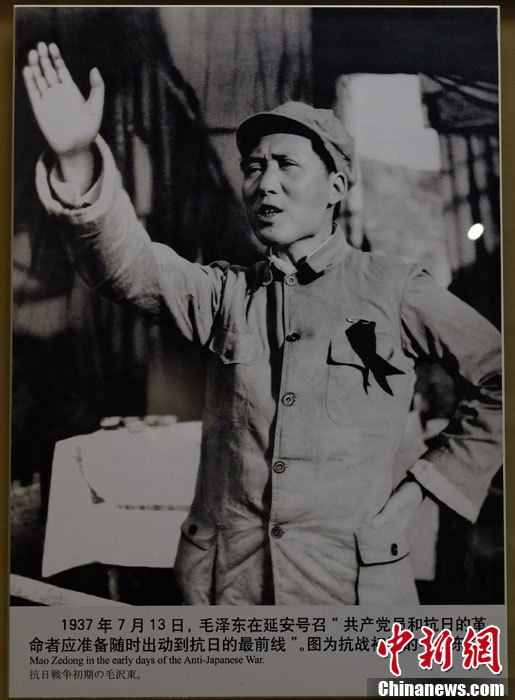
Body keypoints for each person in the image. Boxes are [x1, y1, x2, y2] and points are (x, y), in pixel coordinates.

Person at [23, 42, 502, 605]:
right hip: (230, 591)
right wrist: (77, 161)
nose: (264, 182)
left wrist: (424, 488)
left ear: (336, 187)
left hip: (349, 591)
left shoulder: (393, 288)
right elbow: (128, 267)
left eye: (286, 165)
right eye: (253, 167)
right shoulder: (226, 294)